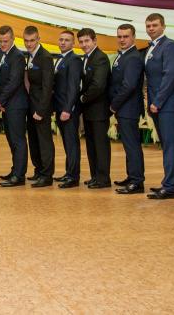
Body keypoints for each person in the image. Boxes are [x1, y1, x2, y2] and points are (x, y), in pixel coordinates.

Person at [143, 13, 174, 199]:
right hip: (157, 104)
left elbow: (170, 76)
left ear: (163, 26)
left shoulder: (170, 46)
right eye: (148, 26)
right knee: (169, 145)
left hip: (168, 104)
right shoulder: (151, 48)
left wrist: (157, 101)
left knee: (170, 145)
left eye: (154, 25)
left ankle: (171, 186)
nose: (151, 28)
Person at [110, 24, 146, 195]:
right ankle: (132, 176)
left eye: (126, 36)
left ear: (133, 37)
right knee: (128, 145)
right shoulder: (123, 55)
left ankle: (137, 181)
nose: (122, 39)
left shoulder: (133, 57)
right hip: (124, 108)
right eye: (120, 36)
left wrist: (113, 105)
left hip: (128, 108)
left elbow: (129, 85)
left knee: (132, 146)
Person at [77, 28, 112, 189]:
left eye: (87, 41)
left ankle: (103, 179)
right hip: (89, 110)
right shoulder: (87, 58)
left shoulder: (100, 58)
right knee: (91, 145)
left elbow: (98, 85)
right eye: (81, 42)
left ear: (95, 41)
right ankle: (95, 176)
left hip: (99, 109)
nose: (84, 44)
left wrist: (83, 98)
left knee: (100, 145)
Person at [0, 25, 29, 187]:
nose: (2, 44)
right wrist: (2, 102)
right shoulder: (2, 55)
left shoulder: (18, 56)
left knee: (18, 140)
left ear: (13, 39)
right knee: (11, 139)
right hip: (7, 105)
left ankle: (19, 176)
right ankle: (15, 170)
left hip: (17, 105)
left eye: (5, 41)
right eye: (0, 41)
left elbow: (14, 81)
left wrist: (0, 100)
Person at [23, 26, 54, 188]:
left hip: (41, 106)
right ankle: (39, 170)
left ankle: (47, 175)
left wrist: (41, 110)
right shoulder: (30, 55)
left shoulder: (45, 57)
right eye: (26, 41)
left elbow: (48, 87)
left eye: (32, 40)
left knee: (44, 142)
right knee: (34, 140)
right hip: (31, 104)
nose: (29, 44)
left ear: (38, 39)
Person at [52, 31, 83, 189]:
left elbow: (73, 86)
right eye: (61, 39)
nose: (63, 42)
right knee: (66, 142)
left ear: (73, 43)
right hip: (60, 108)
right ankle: (68, 172)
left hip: (68, 109)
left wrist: (67, 109)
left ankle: (73, 177)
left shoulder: (74, 59)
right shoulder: (60, 58)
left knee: (72, 143)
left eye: (67, 40)